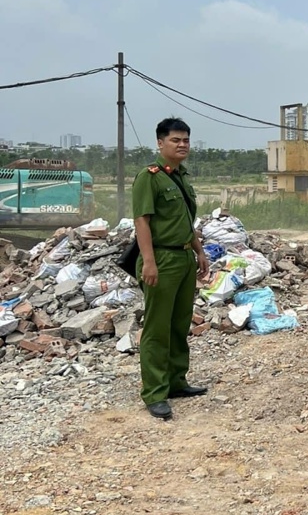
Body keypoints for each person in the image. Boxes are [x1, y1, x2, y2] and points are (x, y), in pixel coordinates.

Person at [132, 117, 210, 420]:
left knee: (179, 324)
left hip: (183, 258)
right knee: (157, 327)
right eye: (176, 140)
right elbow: (142, 221)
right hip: (161, 260)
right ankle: (154, 392)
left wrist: (199, 252)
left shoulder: (180, 177)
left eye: (186, 140)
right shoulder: (149, 177)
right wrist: (149, 262)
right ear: (160, 143)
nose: (182, 145)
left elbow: (185, 221)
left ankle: (177, 381)